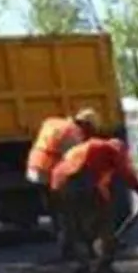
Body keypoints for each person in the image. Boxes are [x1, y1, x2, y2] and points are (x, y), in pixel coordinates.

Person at [49, 131, 138, 273]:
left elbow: (101, 185)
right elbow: (125, 172)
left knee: (76, 226)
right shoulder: (111, 149)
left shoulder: (86, 149)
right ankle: (103, 267)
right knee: (105, 224)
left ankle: (85, 266)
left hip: (59, 184)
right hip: (79, 180)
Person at [27, 108, 99, 258]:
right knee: (67, 210)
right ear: (85, 125)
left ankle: (68, 244)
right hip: (47, 172)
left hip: (34, 168)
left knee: (58, 209)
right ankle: (70, 249)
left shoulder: (53, 122)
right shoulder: (73, 135)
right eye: (90, 128)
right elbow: (74, 162)